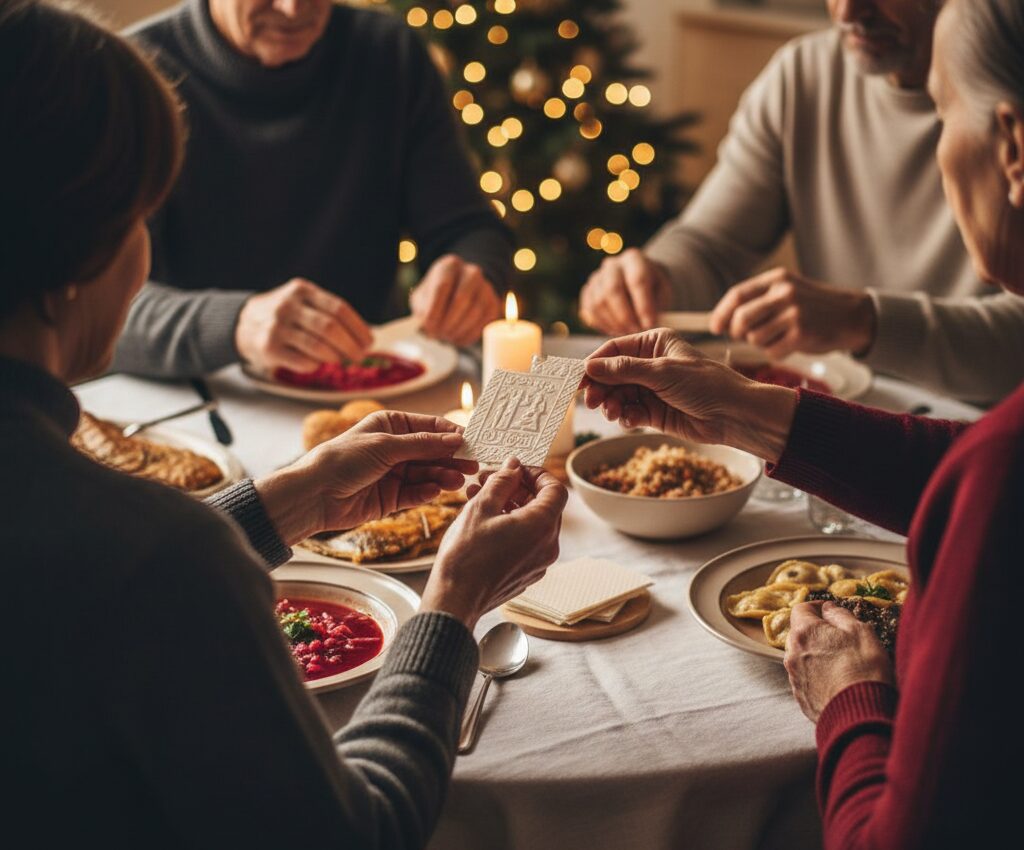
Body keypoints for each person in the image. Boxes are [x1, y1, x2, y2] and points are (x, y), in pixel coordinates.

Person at [0, 2, 566, 845]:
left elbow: (94, 587)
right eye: (135, 221)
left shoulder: (118, 540)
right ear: (67, 263)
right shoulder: (156, 557)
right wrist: (451, 608)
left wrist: (273, 508)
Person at [582, 0, 1023, 843]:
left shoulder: (1002, 470)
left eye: (947, 116)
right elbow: (971, 468)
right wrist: (750, 413)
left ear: (1012, 146)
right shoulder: (997, 466)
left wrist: (851, 699)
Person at [579, 0, 1024, 405]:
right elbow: (711, 245)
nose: (847, 10)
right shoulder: (803, 75)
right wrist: (658, 277)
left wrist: (866, 320)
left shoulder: (1008, 92)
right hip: (837, 418)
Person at [111, 0, 510, 379]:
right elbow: (92, 305)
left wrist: (471, 273)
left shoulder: (389, 52)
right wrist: (236, 325)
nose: (293, 10)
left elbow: (469, 229)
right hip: (194, 402)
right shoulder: (132, 72)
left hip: (368, 389)